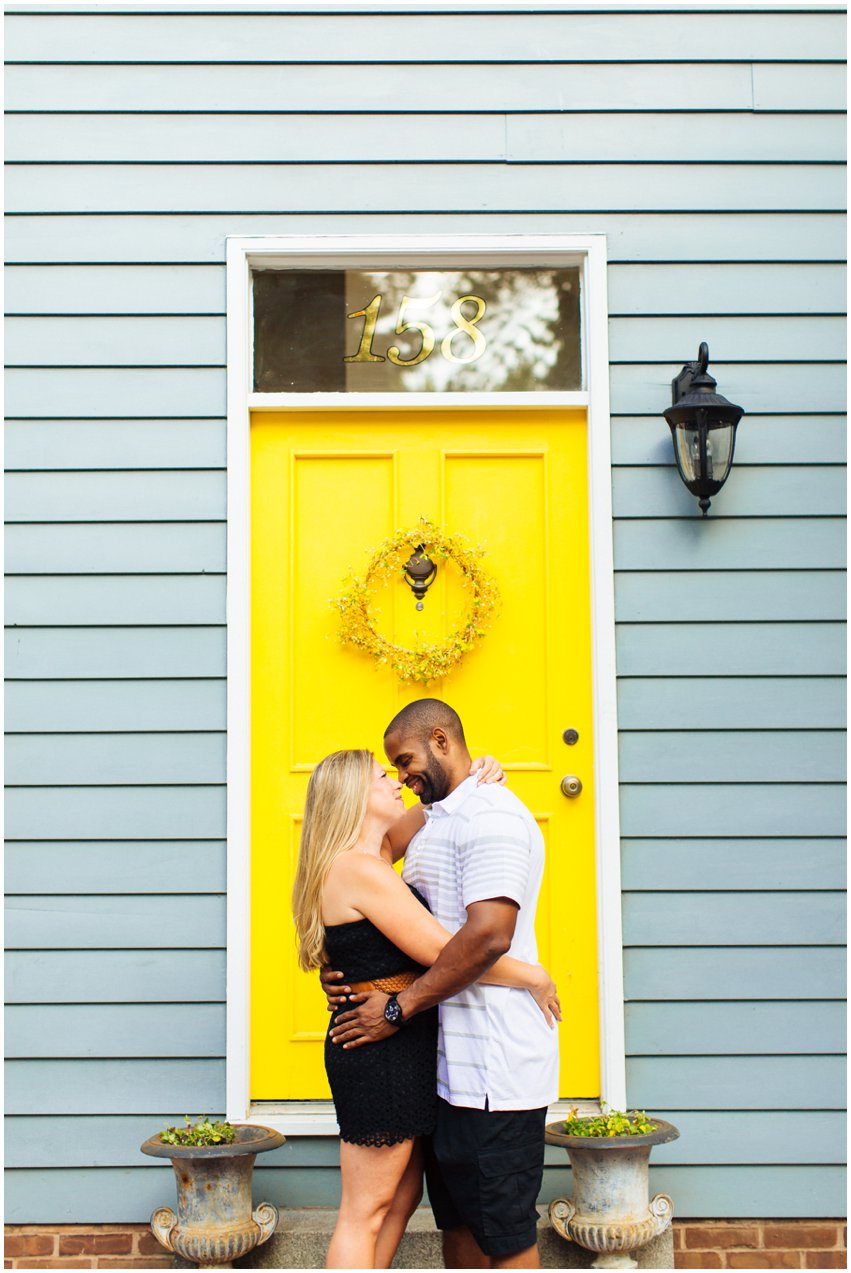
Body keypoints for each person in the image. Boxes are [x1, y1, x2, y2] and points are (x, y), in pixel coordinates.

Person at [292, 747, 560, 1271]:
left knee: (399, 1201)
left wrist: (473, 774)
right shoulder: (359, 870)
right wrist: (531, 974)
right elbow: (445, 952)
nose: (396, 781)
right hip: (379, 1055)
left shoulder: (372, 856)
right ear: (352, 798)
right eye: (380, 777)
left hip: (406, 1047)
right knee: (365, 1210)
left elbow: (437, 801)